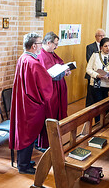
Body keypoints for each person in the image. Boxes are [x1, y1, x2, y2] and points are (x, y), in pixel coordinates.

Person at [10, 32, 54, 174]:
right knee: (28, 134)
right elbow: (43, 84)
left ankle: (24, 161)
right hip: (31, 105)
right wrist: (50, 77)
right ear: (34, 46)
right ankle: (23, 166)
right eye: (40, 43)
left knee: (25, 133)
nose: (42, 46)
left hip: (23, 101)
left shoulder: (23, 58)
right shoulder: (33, 62)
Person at [38, 31, 70, 147]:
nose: (56, 47)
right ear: (48, 42)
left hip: (58, 89)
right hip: (50, 91)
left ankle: (56, 139)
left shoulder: (52, 53)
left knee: (57, 114)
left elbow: (60, 63)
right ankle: (46, 143)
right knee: (50, 115)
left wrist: (66, 70)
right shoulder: (41, 55)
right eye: (55, 44)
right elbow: (45, 75)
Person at [86, 37, 109, 103]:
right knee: (98, 105)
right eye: (105, 46)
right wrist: (97, 75)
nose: (108, 48)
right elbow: (88, 69)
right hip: (97, 84)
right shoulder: (95, 55)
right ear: (101, 47)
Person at [84, 28, 106, 107]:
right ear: (96, 37)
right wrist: (97, 72)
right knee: (90, 97)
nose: (102, 37)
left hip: (103, 77)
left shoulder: (106, 47)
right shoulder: (90, 47)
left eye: (103, 35)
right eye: (100, 36)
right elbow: (89, 60)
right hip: (92, 74)